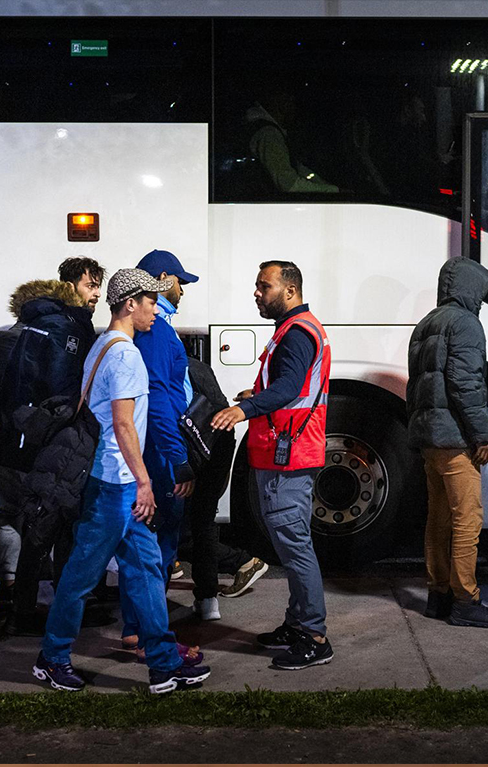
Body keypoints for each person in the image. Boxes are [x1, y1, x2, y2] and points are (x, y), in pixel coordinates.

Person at [32, 268, 211, 695]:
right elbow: (124, 425)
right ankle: (52, 658)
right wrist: (145, 482)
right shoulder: (126, 354)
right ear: (130, 304)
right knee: (81, 575)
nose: (156, 308)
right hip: (115, 484)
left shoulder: (101, 346)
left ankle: (163, 663)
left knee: (145, 569)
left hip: (113, 479)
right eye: (150, 301)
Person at [210, 261, 333, 670]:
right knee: (290, 543)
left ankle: (314, 636)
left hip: (290, 454)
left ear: (290, 290)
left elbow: (288, 389)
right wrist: (257, 393)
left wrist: (245, 409)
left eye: (265, 286)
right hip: (287, 449)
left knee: (295, 547)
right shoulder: (296, 328)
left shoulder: (297, 333)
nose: (257, 293)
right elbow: (290, 388)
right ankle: (298, 624)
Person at [0, 257, 103, 613]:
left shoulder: (17, 328)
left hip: (2, 440)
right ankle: (54, 603)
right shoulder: (65, 328)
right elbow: (60, 392)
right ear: (70, 286)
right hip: (36, 441)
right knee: (53, 522)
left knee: (13, 515)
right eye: (91, 285)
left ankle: (12, 590)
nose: (97, 294)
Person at [405, 256, 488, 629]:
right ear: (469, 288)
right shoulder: (466, 324)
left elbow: (416, 384)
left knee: (439, 518)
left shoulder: (426, 323)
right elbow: (466, 385)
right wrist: (482, 434)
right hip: (455, 438)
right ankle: (466, 599)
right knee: (468, 519)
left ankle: (438, 594)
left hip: (430, 438)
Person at [119, 250, 198, 653]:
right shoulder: (158, 333)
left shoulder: (143, 332)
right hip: (159, 452)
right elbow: (161, 399)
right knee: (157, 543)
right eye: (179, 281)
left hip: (151, 447)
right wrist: (178, 459)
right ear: (162, 280)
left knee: (141, 541)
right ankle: (145, 630)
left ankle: (139, 626)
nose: (182, 289)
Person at [185, 356, 268, 619]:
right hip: (217, 443)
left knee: (175, 528)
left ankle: (239, 562)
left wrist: (178, 467)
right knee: (203, 521)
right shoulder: (195, 365)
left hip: (197, 450)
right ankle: (209, 601)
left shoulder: (157, 359)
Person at [246, 91, 339, 194]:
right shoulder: (269, 134)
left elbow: (300, 170)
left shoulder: (273, 132)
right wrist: (333, 191)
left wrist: (326, 186)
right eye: (289, 101)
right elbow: (289, 184)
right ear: (278, 102)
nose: (294, 107)